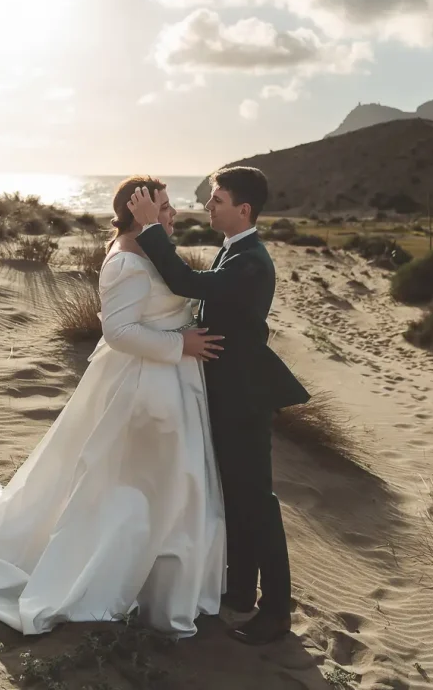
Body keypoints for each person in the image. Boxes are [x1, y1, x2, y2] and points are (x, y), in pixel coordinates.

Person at [0, 176, 226, 637]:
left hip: (169, 383)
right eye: (162, 207)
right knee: (132, 485)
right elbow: (118, 334)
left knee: (167, 485)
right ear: (136, 210)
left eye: (167, 206)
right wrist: (178, 343)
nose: (171, 214)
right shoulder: (125, 261)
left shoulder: (151, 246)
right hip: (142, 388)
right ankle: (112, 578)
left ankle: (156, 580)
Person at [128, 166, 310, 646]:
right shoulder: (234, 250)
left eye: (217, 199)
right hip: (228, 395)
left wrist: (149, 228)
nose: (208, 206)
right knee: (236, 497)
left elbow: (187, 281)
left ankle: (274, 613)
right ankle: (240, 594)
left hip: (245, 400)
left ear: (243, 209)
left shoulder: (250, 260)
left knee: (257, 503)